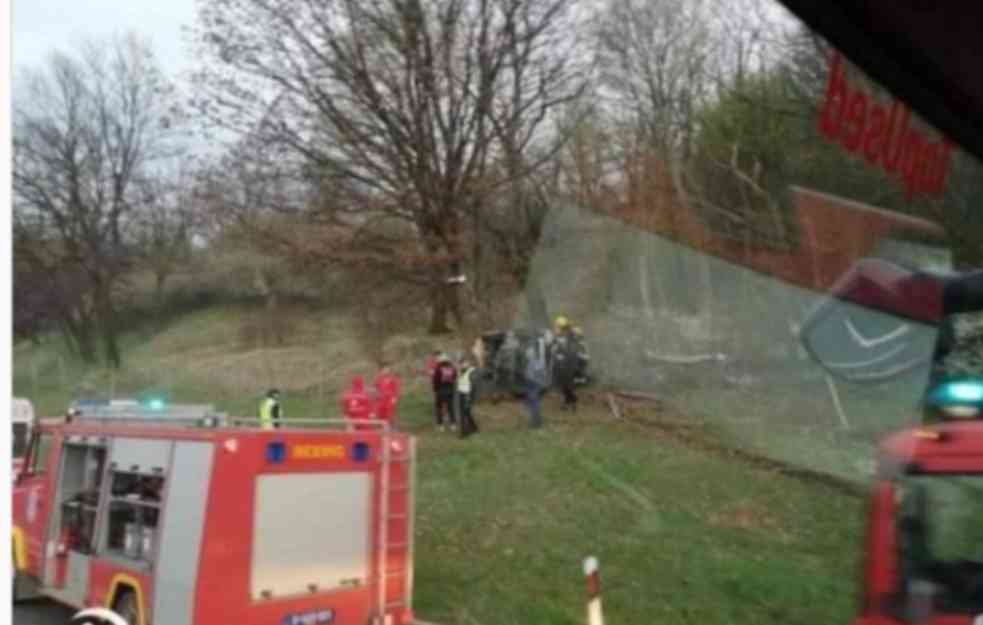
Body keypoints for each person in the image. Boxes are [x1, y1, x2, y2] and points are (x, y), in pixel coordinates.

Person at [524, 345, 548, 429]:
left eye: (528, 353)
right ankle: (535, 422)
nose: (527, 355)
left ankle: (536, 423)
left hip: (535, 386)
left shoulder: (536, 363)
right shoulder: (531, 363)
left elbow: (538, 375)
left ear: (533, 354)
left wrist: (540, 384)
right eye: (527, 353)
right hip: (532, 386)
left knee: (535, 405)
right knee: (533, 405)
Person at [432, 354, 458, 431]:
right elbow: (455, 377)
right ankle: (453, 425)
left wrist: (435, 389)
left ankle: (441, 425)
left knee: (439, 408)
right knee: (451, 408)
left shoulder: (438, 369)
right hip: (450, 391)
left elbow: (435, 381)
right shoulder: (452, 368)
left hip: (440, 391)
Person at [456, 359, 479, 438]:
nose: (462, 365)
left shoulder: (471, 372)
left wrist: (471, 398)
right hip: (461, 394)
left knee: (463, 414)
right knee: (467, 413)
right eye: (461, 364)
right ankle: (474, 428)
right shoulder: (461, 372)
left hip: (467, 395)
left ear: (468, 364)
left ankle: (464, 433)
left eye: (464, 363)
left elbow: (474, 386)